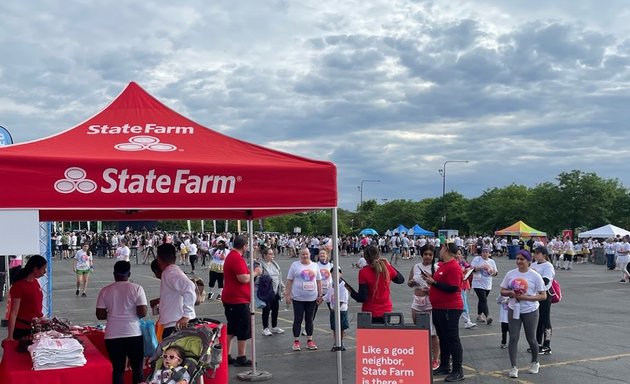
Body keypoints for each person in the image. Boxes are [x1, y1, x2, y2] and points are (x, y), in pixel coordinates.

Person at [96, 261, 148, 384]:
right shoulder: (137, 288)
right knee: (137, 369)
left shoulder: (105, 290)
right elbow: (143, 312)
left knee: (118, 370)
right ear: (129, 273)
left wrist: (113, 312)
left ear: (114, 274)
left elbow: (100, 315)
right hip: (133, 333)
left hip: (112, 335)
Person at [500, 250, 547, 378]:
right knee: (513, 337)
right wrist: (511, 293)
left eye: (522, 259)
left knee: (531, 338)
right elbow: (502, 290)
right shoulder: (511, 274)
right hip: (513, 309)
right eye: (517, 259)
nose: (519, 261)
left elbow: (543, 296)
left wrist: (526, 298)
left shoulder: (535, 276)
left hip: (530, 310)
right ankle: (514, 367)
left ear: (528, 261)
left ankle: (535, 362)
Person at [422, 242, 465, 382]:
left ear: (445, 249)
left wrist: (433, 283)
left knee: (452, 339)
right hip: (439, 307)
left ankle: (458, 370)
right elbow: (442, 285)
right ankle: (445, 365)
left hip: (450, 308)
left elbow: (453, 287)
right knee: (443, 338)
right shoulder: (443, 266)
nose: (439, 251)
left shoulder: (454, 267)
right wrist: (432, 285)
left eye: (441, 248)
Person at [221, 235, 261, 366]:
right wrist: (255, 273)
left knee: (232, 328)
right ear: (244, 246)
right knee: (242, 328)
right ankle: (241, 356)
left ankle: (226, 355)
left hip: (233, 298)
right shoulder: (236, 258)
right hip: (237, 299)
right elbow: (243, 278)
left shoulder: (232, 257)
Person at [350, 245, 404, 324]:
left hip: (370, 310)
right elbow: (400, 280)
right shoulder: (387, 268)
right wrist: (389, 265)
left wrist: (352, 293)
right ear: (379, 255)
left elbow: (362, 297)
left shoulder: (363, 272)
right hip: (386, 310)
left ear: (365, 258)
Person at [408, 244, 441, 370]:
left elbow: (439, 284)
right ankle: (422, 355)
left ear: (433, 256)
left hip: (430, 301)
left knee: (432, 332)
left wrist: (431, 286)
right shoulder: (416, 266)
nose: (427, 256)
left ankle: (435, 359)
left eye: (430, 254)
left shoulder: (436, 267)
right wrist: (411, 282)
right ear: (421, 254)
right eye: (425, 254)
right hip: (417, 301)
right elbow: (409, 282)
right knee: (419, 330)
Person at [156, 243, 197, 339]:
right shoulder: (172, 271)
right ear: (175, 257)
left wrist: (187, 314)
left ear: (158, 259)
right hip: (173, 322)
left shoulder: (170, 273)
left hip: (175, 324)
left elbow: (189, 286)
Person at [285, 247, 323, 351]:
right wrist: (287, 295)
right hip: (298, 298)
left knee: (309, 319)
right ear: (299, 255)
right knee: (298, 319)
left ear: (310, 254)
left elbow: (319, 281)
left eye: (306, 254)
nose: (305, 256)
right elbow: (289, 281)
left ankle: (309, 340)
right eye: (303, 254)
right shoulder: (295, 265)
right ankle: (296, 341)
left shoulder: (315, 265)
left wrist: (320, 295)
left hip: (312, 298)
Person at [5, 255, 47, 341]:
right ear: (35, 269)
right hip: (23, 330)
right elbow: (13, 313)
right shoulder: (19, 286)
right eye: (43, 269)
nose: (45, 272)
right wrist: (10, 336)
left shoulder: (35, 282)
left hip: (36, 327)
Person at [531, 246, 555, 355]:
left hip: (544, 294)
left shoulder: (548, 266)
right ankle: (537, 343)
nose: (535, 255)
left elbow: (546, 280)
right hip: (535, 294)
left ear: (544, 254)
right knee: (538, 320)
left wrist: (536, 284)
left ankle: (547, 345)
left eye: (537, 253)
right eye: (534, 253)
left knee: (545, 319)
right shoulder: (533, 265)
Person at [258, 248, 285, 336]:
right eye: (270, 254)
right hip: (267, 291)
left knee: (275, 308)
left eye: (272, 254)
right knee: (266, 309)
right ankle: (265, 328)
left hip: (276, 290)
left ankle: (274, 326)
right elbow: (258, 278)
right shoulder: (260, 265)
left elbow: (278, 276)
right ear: (265, 255)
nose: (272, 256)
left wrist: (281, 285)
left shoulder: (275, 264)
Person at [471, 246, 499, 325]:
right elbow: (472, 269)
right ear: (481, 253)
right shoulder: (477, 259)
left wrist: (493, 272)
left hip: (487, 283)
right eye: (483, 252)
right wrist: (481, 267)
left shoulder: (492, 262)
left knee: (482, 300)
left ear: (489, 253)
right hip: (478, 282)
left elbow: (496, 272)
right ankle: (488, 316)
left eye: (487, 252)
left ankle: (479, 315)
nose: (485, 253)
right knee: (483, 299)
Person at [324, 268, 348, 351]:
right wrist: (321, 299)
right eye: (332, 274)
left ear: (341, 274)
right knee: (334, 327)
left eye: (337, 273)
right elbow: (327, 296)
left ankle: (341, 342)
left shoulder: (343, 285)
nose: (334, 275)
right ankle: (336, 342)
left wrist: (336, 308)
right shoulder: (331, 284)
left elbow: (343, 299)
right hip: (333, 310)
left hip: (341, 310)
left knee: (341, 327)